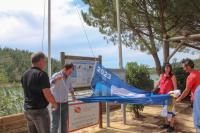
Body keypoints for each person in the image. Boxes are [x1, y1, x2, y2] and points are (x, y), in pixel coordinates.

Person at [21, 52, 57, 133]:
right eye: (44, 61)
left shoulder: (24, 75)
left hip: (27, 111)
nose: (45, 63)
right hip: (39, 111)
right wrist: (54, 104)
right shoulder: (42, 74)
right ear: (41, 61)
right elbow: (47, 93)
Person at [50, 63, 76, 133]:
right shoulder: (56, 75)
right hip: (56, 103)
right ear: (65, 69)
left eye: (71, 72)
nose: (70, 73)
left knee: (64, 123)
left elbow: (71, 88)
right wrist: (56, 79)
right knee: (55, 124)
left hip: (65, 103)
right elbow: (49, 84)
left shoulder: (69, 77)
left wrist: (73, 95)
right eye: (70, 71)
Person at [176, 58, 200, 132]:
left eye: (184, 67)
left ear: (188, 66)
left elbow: (187, 90)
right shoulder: (199, 72)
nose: (183, 69)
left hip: (197, 101)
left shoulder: (191, 77)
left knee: (198, 121)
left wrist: (179, 99)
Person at [153, 63, 177, 132]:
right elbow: (158, 84)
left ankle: (171, 126)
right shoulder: (161, 75)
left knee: (171, 111)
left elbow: (175, 87)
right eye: (166, 67)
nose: (167, 69)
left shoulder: (173, 76)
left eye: (168, 68)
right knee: (164, 110)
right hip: (162, 96)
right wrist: (153, 90)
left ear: (170, 68)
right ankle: (166, 124)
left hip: (170, 96)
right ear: (164, 68)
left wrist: (174, 97)